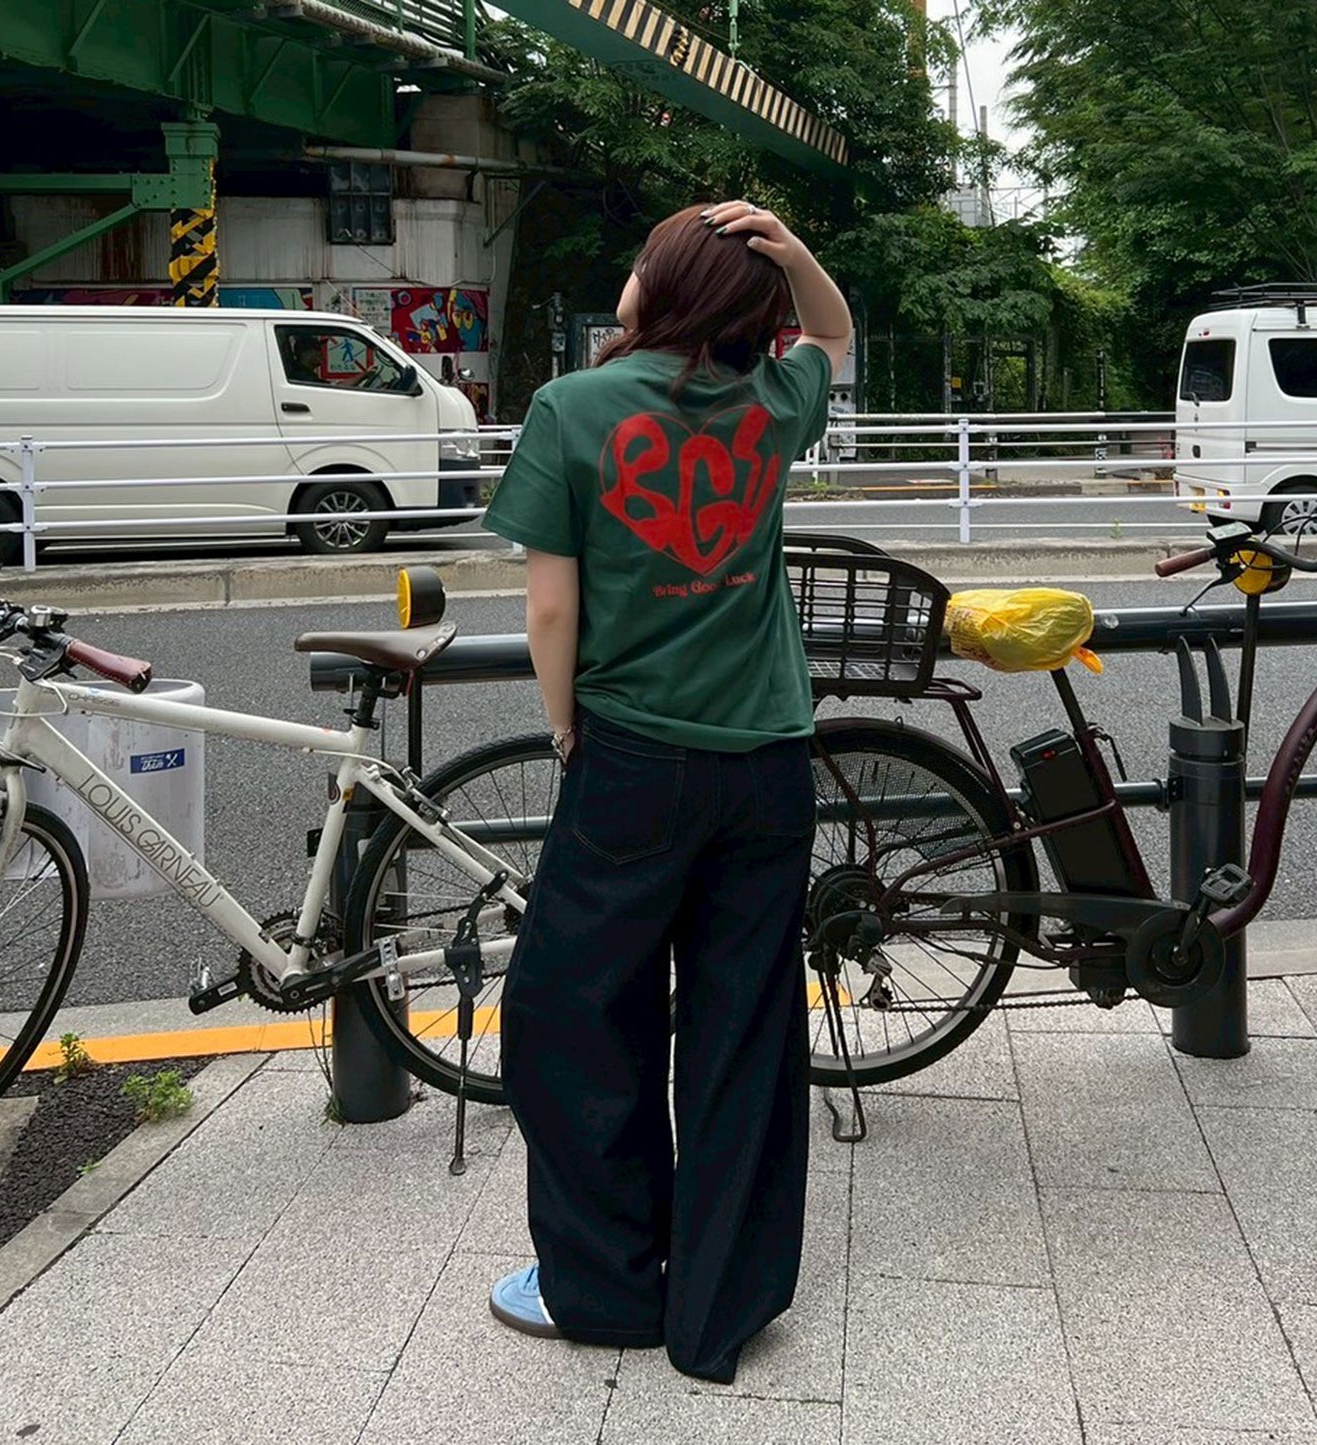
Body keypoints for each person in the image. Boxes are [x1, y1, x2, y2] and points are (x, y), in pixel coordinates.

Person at [481, 199, 852, 1384]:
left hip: (634, 761)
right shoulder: (768, 401)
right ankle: (719, 1301)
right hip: (768, 763)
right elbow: (832, 335)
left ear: (656, 284)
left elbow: (551, 606)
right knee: (743, 1024)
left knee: (572, 1012)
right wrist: (788, 252)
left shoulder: (573, 408)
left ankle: (604, 1281)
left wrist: (559, 727)